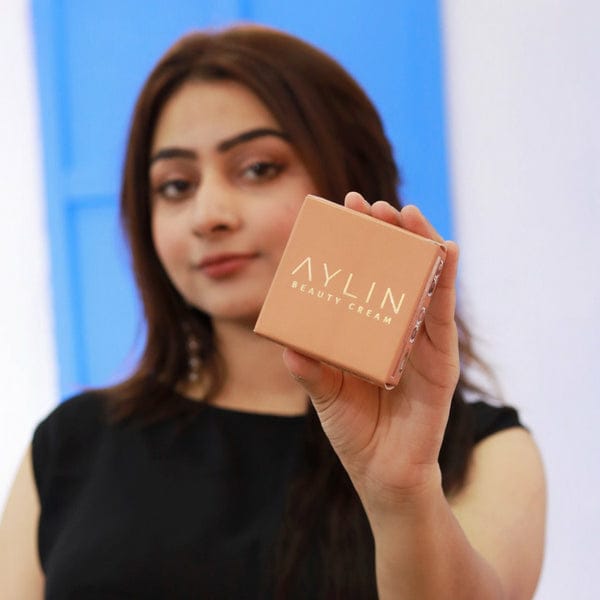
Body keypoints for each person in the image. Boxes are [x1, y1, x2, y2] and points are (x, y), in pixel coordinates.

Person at [0, 24, 546, 599]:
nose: (208, 215)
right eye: (176, 185)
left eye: (258, 168)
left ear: (350, 180)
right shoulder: (69, 446)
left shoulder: (481, 452)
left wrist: (401, 493)